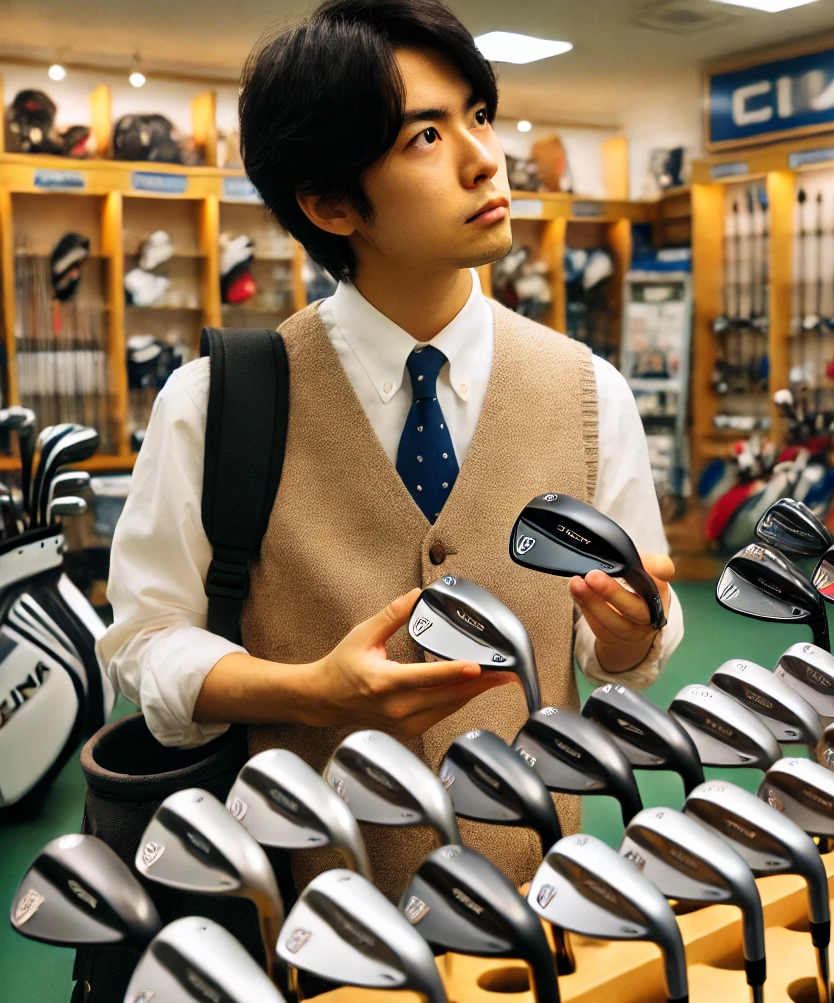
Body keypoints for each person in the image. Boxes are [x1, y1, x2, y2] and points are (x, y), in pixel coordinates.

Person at [99, 0, 683, 898]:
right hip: (296, 926)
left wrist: (633, 629)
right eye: (424, 136)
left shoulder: (589, 393)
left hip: (534, 916)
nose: (486, 157)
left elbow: (629, 646)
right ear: (332, 203)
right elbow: (145, 642)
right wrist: (307, 692)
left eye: (479, 116)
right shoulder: (219, 402)